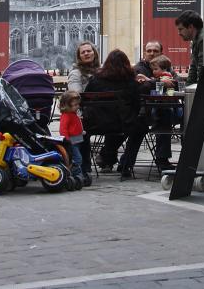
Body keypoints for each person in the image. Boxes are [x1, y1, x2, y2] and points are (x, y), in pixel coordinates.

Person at [84, 49, 146, 179]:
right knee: (140, 127)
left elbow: (85, 100)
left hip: (95, 124)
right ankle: (126, 164)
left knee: (113, 123)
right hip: (122, 124)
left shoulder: (95, 80)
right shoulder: (130, 82)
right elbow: (136, 105)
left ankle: (87, 166)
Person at [134, 41, 176, 171]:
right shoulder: (138, 69)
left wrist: (170, 83)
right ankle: (162, 160)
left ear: (161, 53)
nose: (152, 53)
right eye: (149, 50)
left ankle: (190, 158)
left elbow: (175, 83)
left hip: (163, 107)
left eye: (155, 51)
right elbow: (141, 88)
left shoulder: (166, 66)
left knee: (172, 114)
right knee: (164, 115)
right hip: (142, 110)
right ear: (144, 52)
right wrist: (160, 82)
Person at [68, 42, 100, 179]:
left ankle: (107, 156)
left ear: (94, 53)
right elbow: (75, 95)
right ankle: (83, 167)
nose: (86, 53)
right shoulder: (76, 73)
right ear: (79, 57)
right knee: (80, 128)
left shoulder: (103, 71)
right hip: (85, 115)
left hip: (104, 114)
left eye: (89, 51)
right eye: (83, 52)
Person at [58, 90, 89, 186]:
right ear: (67, 105)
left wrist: (81, 131)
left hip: (77, 139)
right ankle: (76, 173)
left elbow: (76, 125)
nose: (77, 106)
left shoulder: (73, 114)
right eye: (75, 105)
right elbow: (63, 129)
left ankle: (77, 172)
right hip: (71, 141)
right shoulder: (66, 115)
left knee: (78, 157)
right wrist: (66, 139)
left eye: (77, 104)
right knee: (77, 158)